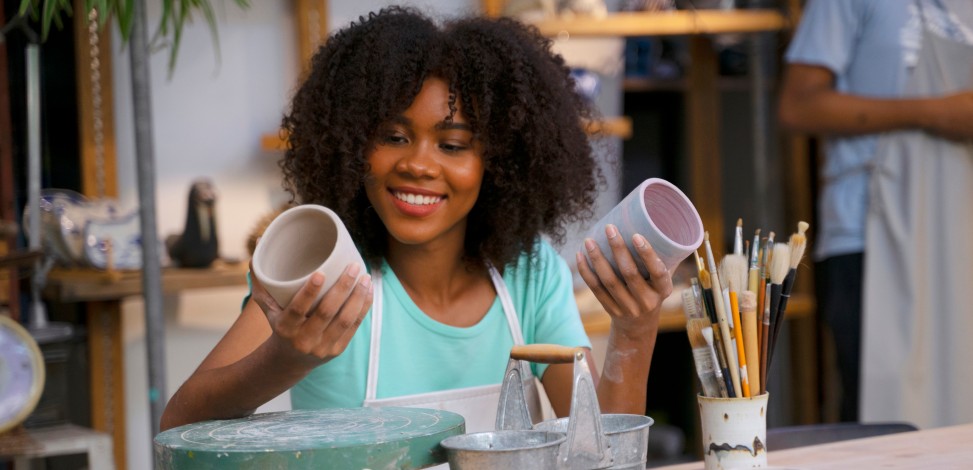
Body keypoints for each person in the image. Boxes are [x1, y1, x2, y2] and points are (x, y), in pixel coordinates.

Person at [160, 6, 673, 432]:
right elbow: (178, 425)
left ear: (497, 162)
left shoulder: (527, 271)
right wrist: (286, 359)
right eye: (393, 137)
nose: (418, 165)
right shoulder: (328, 268)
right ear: (354, 144)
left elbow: (599, 451)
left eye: (452, 145)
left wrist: (635, 331)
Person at [778, 0, 973, 424]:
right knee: (890, 412)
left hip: (959, 226)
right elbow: (797, 105)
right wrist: (936, 112)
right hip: (870, 231)